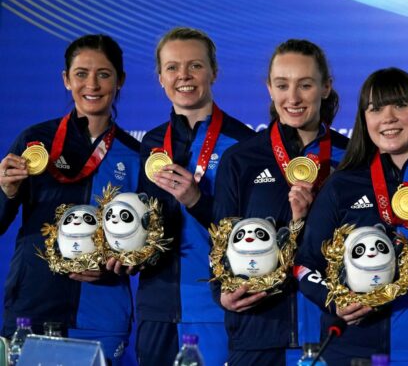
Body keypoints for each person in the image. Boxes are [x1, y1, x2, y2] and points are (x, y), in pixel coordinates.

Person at [295, 67, 408, 365]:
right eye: (376, 108)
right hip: (352, 350)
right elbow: (304, 266)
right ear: (364, 119)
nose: (388, 117)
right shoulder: (340, 185)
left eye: (400, 104)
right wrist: (334, 301)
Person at [0, 34, 140, 364]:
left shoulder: (135, 156)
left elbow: (145, 246)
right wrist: (5, 191)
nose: (92, 84)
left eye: (104, 74)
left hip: (100, 313)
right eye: (80, 73)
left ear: (120, 80)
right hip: (32, 307)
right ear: (66, 80)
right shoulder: (34, 142)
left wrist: (116, 267)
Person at [212, 39, 349, 365]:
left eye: (305, 85)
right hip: (259, 332)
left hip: (334, 333)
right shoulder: (241, 159)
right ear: (269, 89)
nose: (293, 97)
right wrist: (222, 293)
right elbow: (219, 241)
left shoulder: (353, 158)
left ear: (325, 87)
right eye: (282, 85)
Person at [135, 27, 255, 366]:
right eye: (172, 67)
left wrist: (196, 200)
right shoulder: (152, 143)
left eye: (195, 66)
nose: (183, 76)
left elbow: (251, 229)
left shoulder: (243, 143)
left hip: (215, 305)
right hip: (156, 306)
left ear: (214, 72)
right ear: (160, 77)